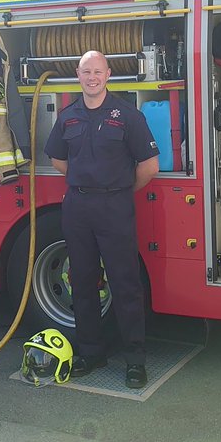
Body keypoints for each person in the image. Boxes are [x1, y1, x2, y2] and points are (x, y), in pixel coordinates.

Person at [43, 50, 160, 389]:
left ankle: (135, 360)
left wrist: (118, 190)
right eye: (85, 72)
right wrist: (85, 182)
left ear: (108, 74)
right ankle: (91, 352)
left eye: (97, 71)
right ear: (77, 76)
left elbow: (149, 167)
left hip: (115, 206)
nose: (91, 77)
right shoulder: (68, 116)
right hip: (78, 207)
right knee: (81, 281)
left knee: (125, 285)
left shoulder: (127, 115)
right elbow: (57, 158)